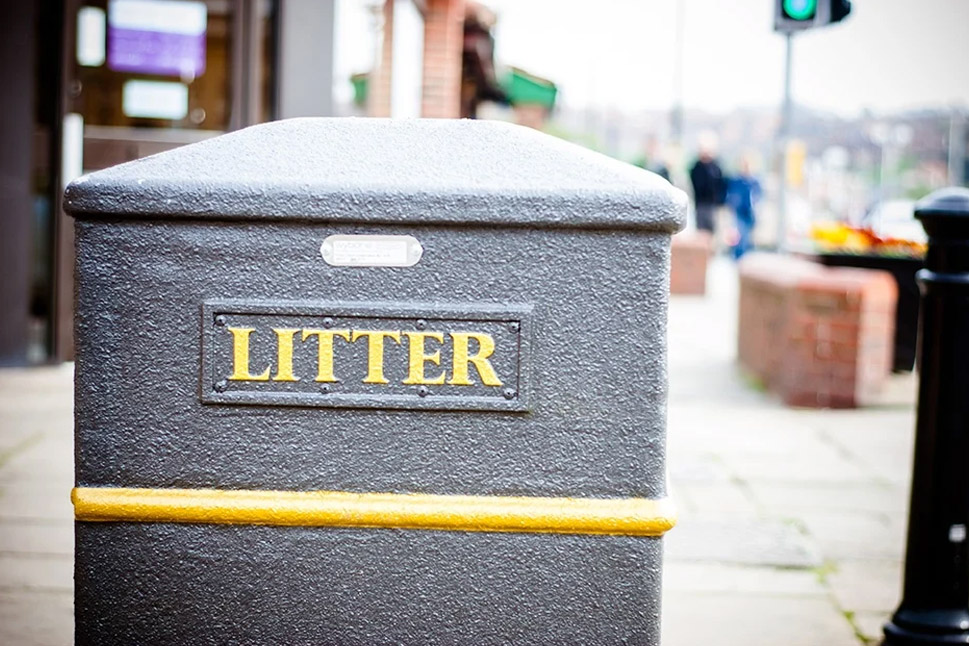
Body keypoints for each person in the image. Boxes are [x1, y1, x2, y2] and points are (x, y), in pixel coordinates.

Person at [726, 156, 762, 259]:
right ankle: (739, 257)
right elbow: (731, 195)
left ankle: (747, 258)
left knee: (749, 237)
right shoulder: (737, 180)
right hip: (739, 212)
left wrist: (756, 206)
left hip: (750, 212)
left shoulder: (754, 181)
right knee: (740, 236)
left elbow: (758, 196)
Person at [689, 138, 726, 235]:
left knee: (713, 231)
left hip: (713, 205)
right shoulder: (696, 167)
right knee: (701, 232)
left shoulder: (716, 167)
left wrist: (720, 202)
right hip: (701, 204)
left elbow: (720, 185)